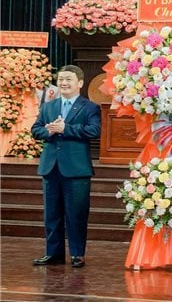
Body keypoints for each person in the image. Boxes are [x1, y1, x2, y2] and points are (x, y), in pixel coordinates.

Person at [31, 65, 101, 268]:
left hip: (76, 170)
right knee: (51, 214)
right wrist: (49, 132)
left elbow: (94, 130)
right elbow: (35, 130)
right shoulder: (48, 106)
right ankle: (53, 253)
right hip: (50, 168)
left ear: (79, 83)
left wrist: (66, 128)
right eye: (61, 79)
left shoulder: (90, 107)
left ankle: (77, 254)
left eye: (68, 79)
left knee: (76, 213)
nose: (64, 83)